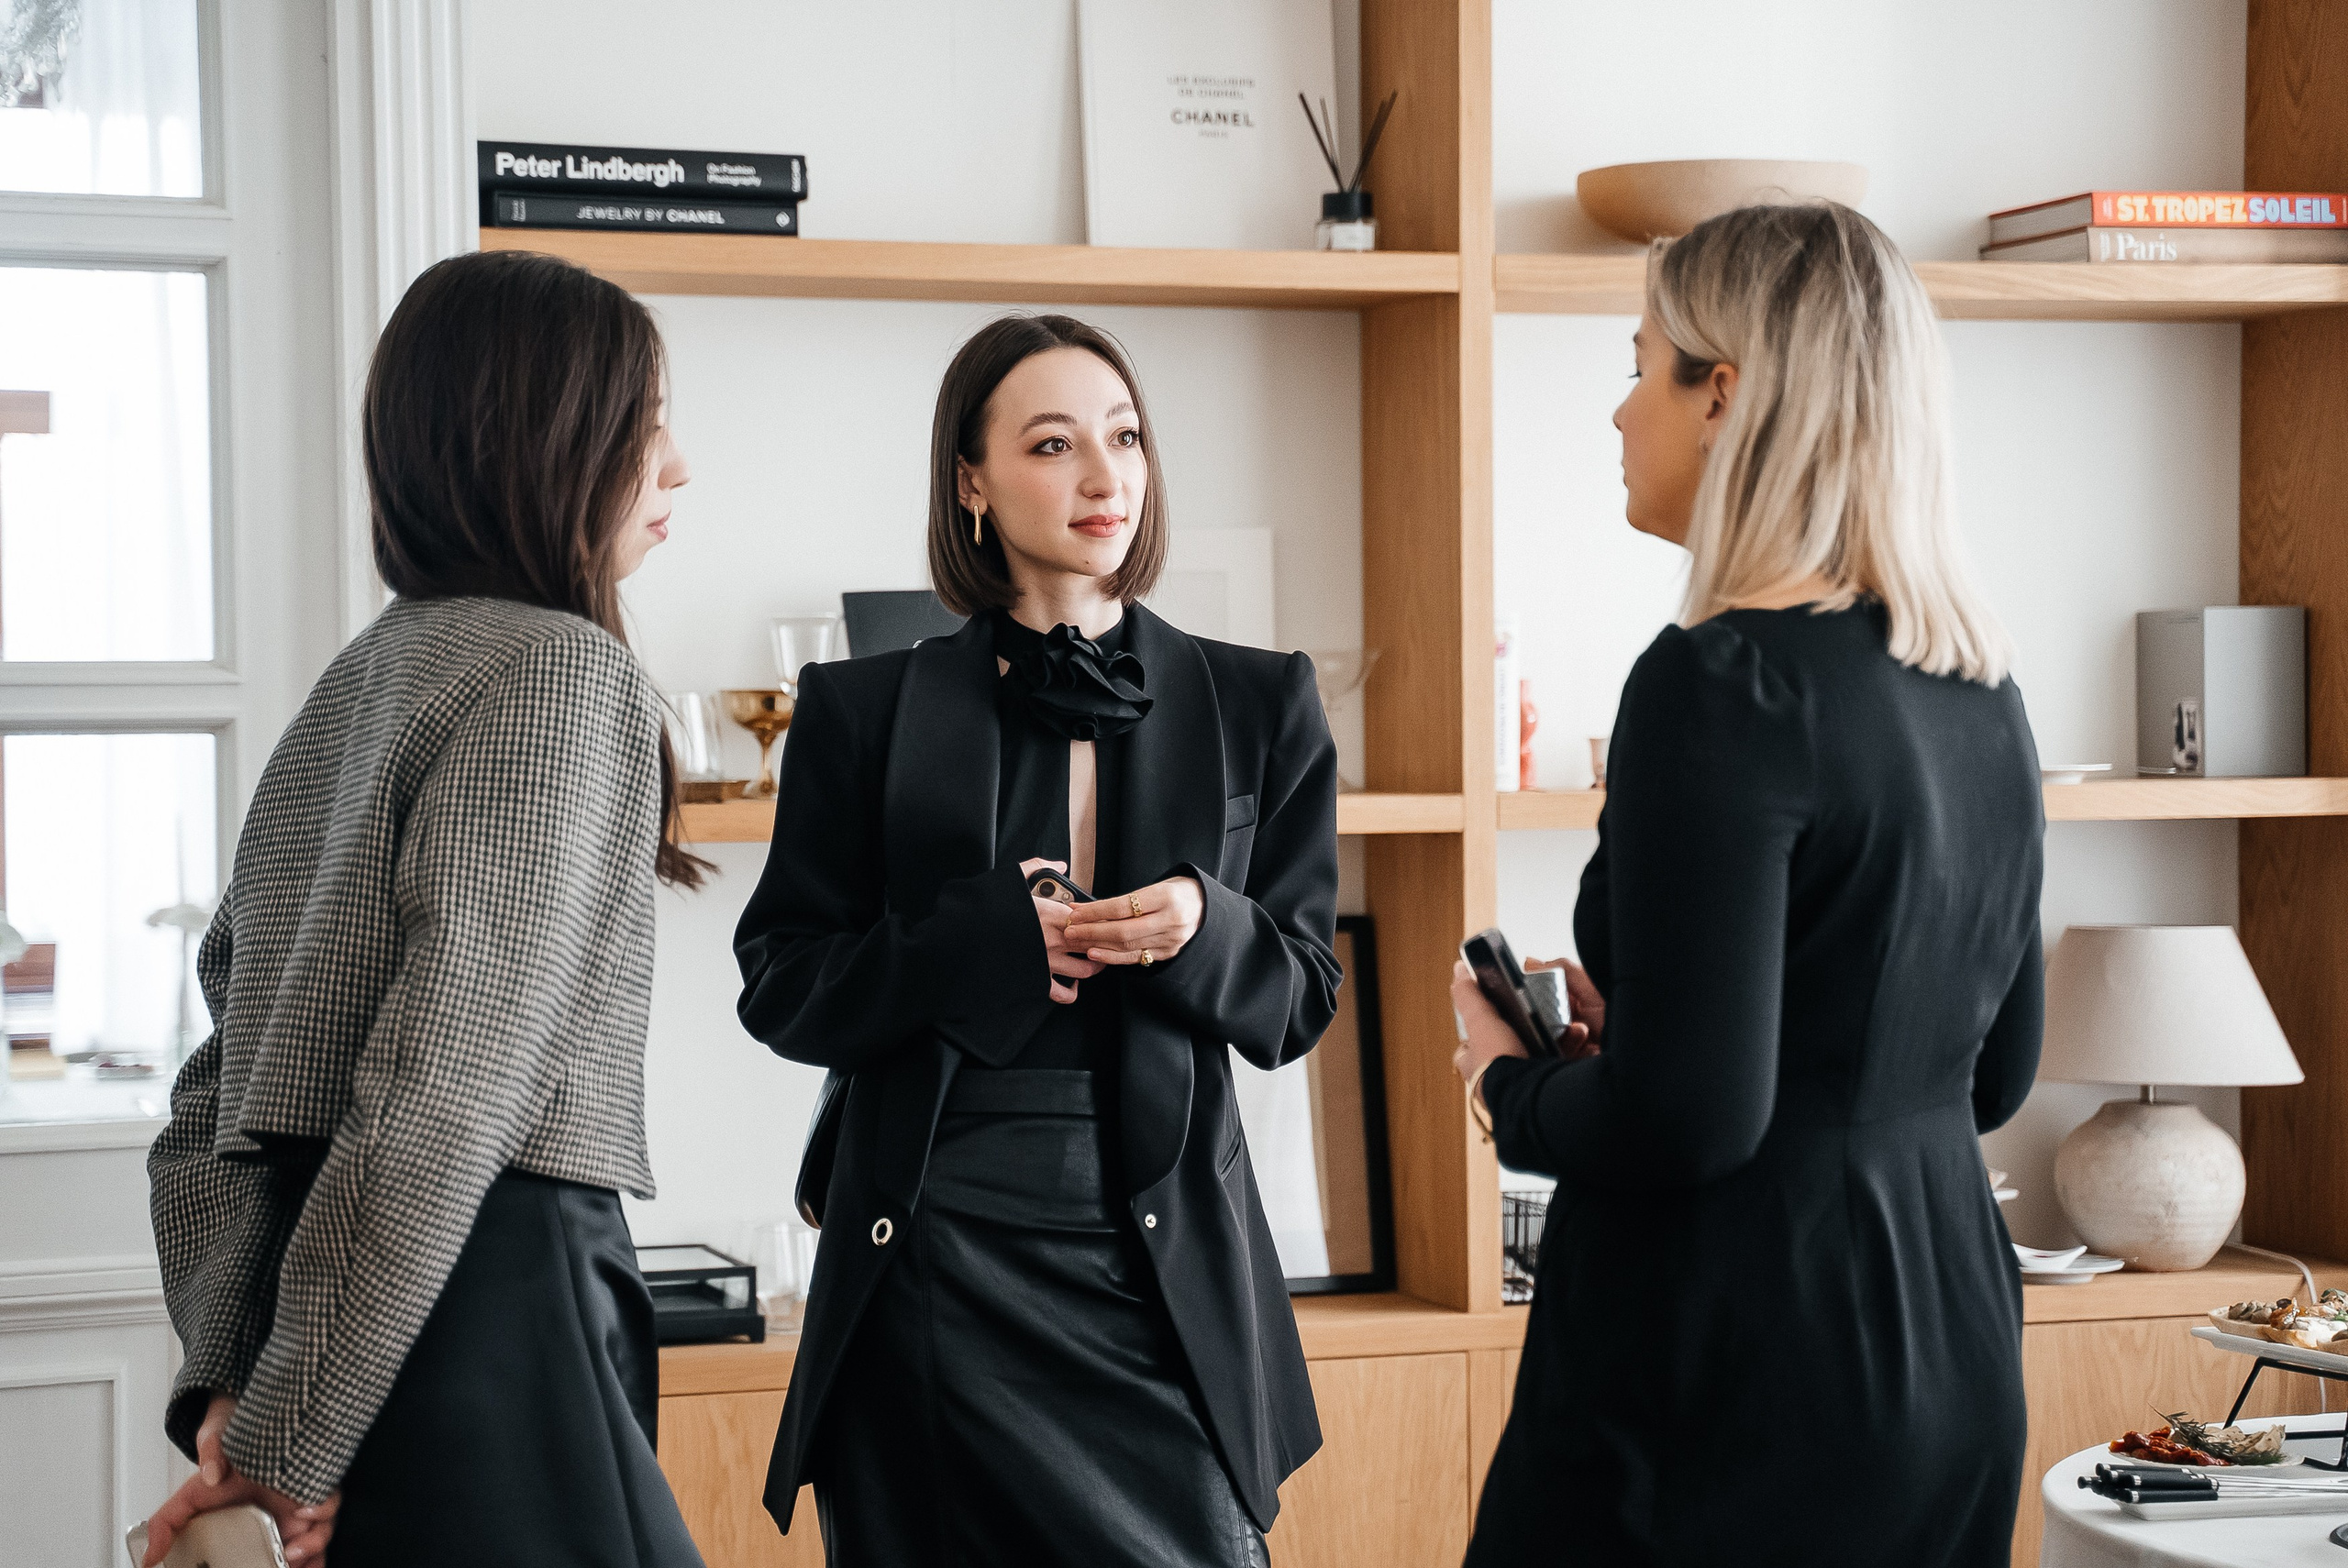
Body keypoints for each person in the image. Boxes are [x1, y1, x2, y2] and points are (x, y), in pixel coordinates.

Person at [1454, 203, 2043, 1567]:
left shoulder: (1721, 685)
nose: (1616, 413)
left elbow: (1695, 1119)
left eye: (1640, 362)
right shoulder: (1979, 685)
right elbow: (1990, 1074)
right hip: (1948, 1335)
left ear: (1723, 395)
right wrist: (1661, 1018)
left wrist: (1507, 1080)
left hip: (1736, 1366)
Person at [735, 313, 1341, 1567]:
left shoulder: (1262, 699)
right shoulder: (861, 709)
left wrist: (1201, 925)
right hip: (933, 1272)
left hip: (1160, 1276)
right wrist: (974, 942)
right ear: (972, 479)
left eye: (1124, 438)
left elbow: (1299, 998)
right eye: (1054, 443)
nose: (1104, 476)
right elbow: (785, 988)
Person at [141, 248, 707, 1568]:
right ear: (549, 432)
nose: (676, 467)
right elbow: (445, 1091)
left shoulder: (355, 684)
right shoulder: (561, 672)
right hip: (488, 1312)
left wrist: (244, 1395)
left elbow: (209, 1110)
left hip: (335, 1316)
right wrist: (285, 1444)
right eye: (649, 420)